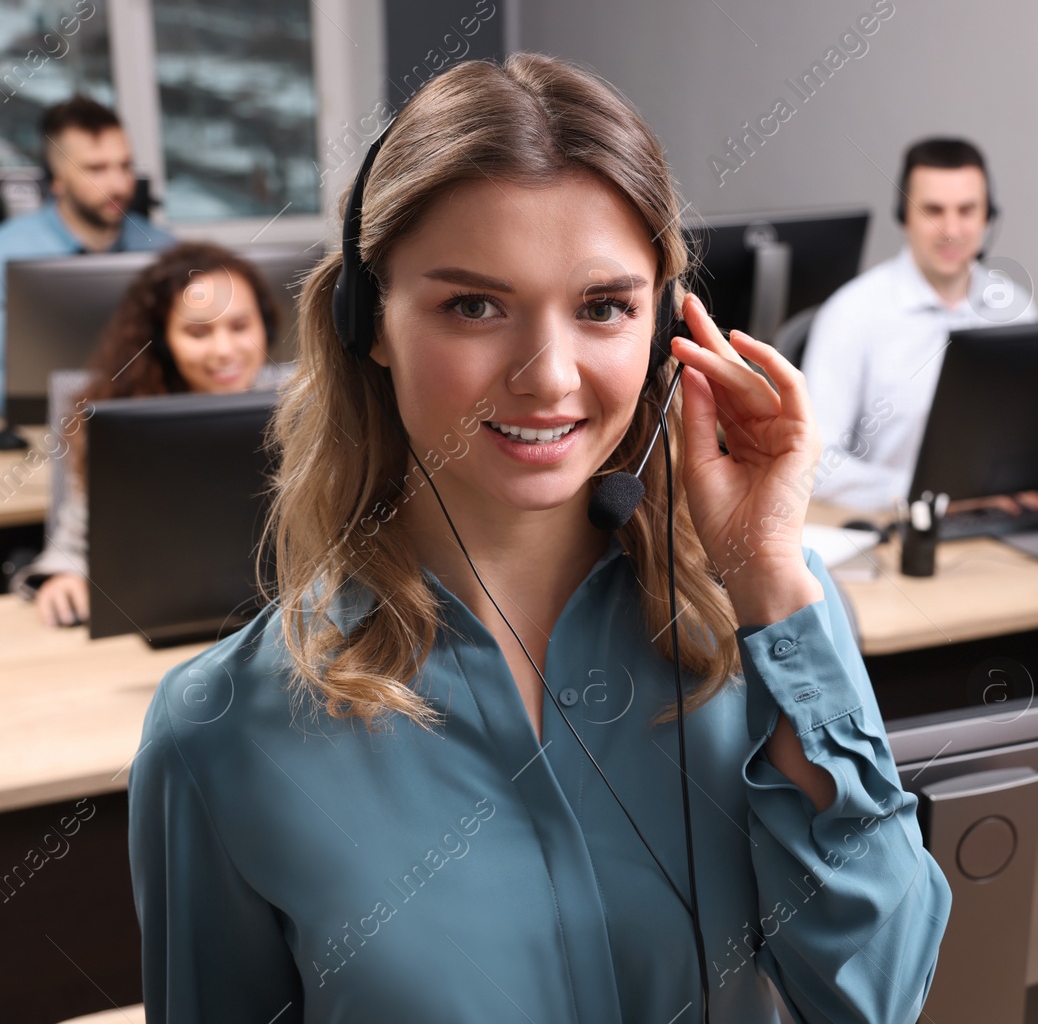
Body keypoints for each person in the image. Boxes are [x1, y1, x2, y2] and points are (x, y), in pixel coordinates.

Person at [128, 53, 950, 1022]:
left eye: (603, 306)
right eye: (475, 305)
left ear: (662, 327)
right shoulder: (221, 731)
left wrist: (769, 572)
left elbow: (880, 997)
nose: (550, 376)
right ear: (369, 321)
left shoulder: (768, 627)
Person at [11, 241, 284, 626]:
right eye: (198, 332)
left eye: (240, 326)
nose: (224, 350)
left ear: (265, 325)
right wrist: (64, 576)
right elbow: (73, 543)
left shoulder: (309, 404)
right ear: (164, 341)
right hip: (160, 631)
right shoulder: (125, 424)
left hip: (282, 628)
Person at [801, 137, 1038, 512]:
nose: (951, 229)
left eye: (966, 210)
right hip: (893, 528)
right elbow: (813, 467)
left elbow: (1032, 436)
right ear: (904, 215)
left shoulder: (1014, 308)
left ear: (987, 217)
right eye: (933, 210)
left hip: (1004, 522)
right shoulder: (851, 314)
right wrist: (935, 498)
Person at [0, 95, 175, 407]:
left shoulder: (165, 250)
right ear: (57, 180)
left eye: (125, 166)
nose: (119, 184)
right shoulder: (8, 250)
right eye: (97, 169)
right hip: (36, 428)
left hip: (145, 415)